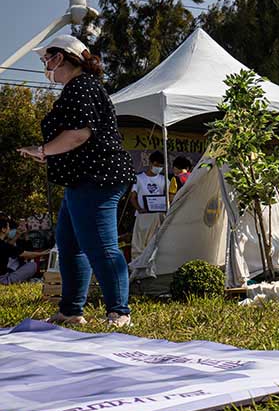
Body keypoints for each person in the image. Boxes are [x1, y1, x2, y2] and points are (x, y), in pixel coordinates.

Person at [18, 35, 134, 328]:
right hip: (83, 177)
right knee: (69, 245)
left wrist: (43, 150)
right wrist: (49, 153)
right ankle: (70, 310)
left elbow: (80, 133)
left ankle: (119, 312)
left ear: (60, 58)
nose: (46, 66)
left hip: (96, 177)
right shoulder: (82, 88)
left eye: (47, 59)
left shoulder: (80, 88)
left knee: (100, 245)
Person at [130, 150, 167, 261]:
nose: (158, 168)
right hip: (143, 216)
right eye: (156, 165)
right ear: (150, 163)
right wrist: (140, 209)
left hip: (159, 216)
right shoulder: (139, 178)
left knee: (156, 244)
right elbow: (133, 197)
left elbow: (170, 196)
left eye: (161, 166)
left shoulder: (164, 179)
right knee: (139, 245)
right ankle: (137, 268)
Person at [0, 218, 36, 285]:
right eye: (20, 225)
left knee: (31, 265)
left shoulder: (23, 242)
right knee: (32, 266)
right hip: (5, 273)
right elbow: (8, 247)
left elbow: (29, 253)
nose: (21, 227)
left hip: (15, 268)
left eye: (23, 225)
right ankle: (7, 281)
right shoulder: (5, 241)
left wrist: (25, 235)